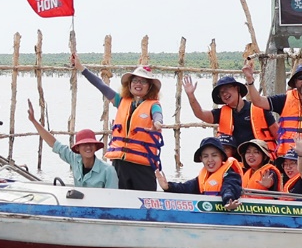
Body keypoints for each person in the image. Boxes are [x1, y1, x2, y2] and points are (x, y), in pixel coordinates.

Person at [73, 53, 163, 192]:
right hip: (120, 164)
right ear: (130, 84)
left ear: (149, 87)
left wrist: (157, 123)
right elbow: (100, 85)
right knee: (118, 197)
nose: (138, 84)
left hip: (143, 166)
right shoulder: (121, 101)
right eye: (135, 81)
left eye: (143, 81)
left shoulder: (153, 105)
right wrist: (81, 68)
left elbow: (158, 115)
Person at [26, 99, 118, 189]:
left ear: (95, 147)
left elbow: (112, 199)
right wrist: (33, 120)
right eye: (84, 144)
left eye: (91, 144)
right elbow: (54, 143)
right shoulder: (74, 160)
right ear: (77, 148)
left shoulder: (108, 171)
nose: (88, 147)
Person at [182, 65, 276, 149]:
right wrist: (191, 95)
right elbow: (200, 114)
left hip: (261, 162)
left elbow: (278, 134)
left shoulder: (260, 109)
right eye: (221, 93)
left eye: (227, 89)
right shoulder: (221, 113)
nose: (224, 94)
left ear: (237, 88)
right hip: (233, 163)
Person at [157, 136, 242, 209]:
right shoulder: (202, 178)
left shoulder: (230, 175)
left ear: (222, 156)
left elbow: (229, 187)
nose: (210, 160)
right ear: (201, 159)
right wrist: (168, 186)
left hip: (228, 206)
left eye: (214, 155)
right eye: (205, 156)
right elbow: (185, 187)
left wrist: (228, 201)